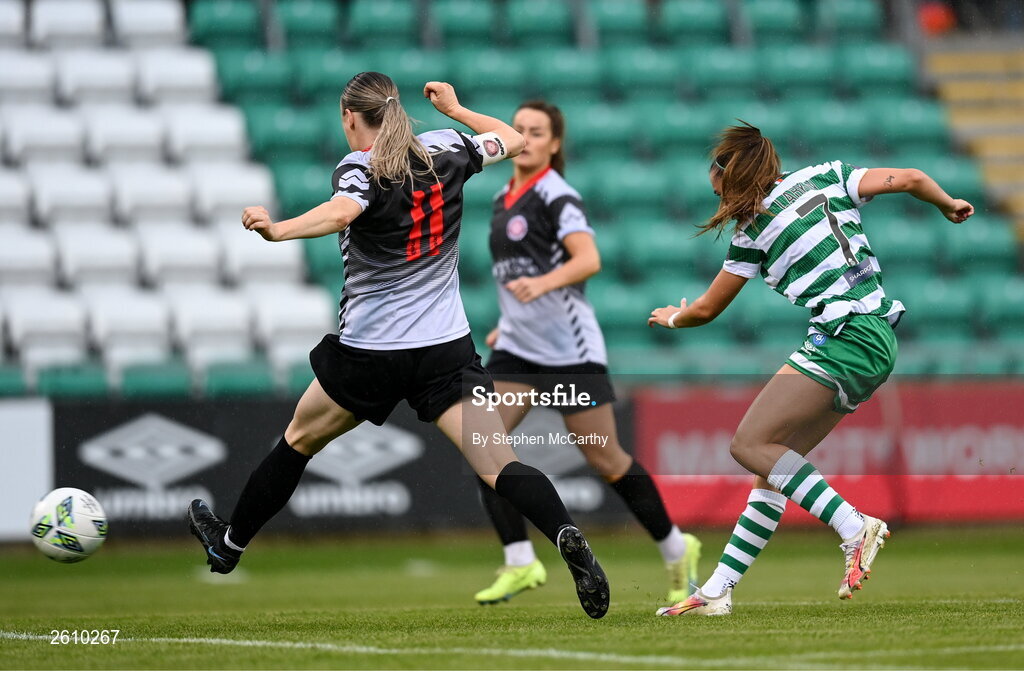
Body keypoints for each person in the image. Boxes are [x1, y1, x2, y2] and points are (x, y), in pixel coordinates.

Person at [185, 73, 610, 620]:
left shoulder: (360, 166)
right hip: (445, 351)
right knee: (498, 462)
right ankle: (565, 532)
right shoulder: (447, 147)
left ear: (351, 119)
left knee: (298, 438)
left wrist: (277, 229)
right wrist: (457, 109)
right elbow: (512, 138)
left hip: (372, 354)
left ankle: (228, 545)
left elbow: (342, 212)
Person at [648, 122, 974, 617]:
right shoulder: (825, 176)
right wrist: (948, 203)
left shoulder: (751, 231)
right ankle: (718, 590)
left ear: (728, 173)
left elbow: (706, 311)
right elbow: (909, 177)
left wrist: (671, 317)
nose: (711, 186)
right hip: (878, 336)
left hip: (845, 336)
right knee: (773, 468)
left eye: (714, 175)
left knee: (749, 445)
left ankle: (853, 525)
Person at [471, 100, 701, 607]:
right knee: (483, 443)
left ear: (554, 144)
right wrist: (505, 326)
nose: (526, 138)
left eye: (537, 132)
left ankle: (676, 547)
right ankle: (519, 562)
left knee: (605, 456)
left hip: (568, 353)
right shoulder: (500, 198)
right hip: (517, 350)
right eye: (519, 129)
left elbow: (588, 259)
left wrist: (544, 283)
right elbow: (513, 282)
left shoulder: (557, 193)